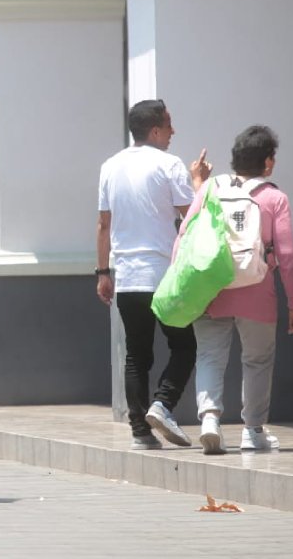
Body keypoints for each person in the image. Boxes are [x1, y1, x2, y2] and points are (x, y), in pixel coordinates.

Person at [96, 99, 211, 449]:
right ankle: (162, 405)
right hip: (164, 277)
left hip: (127, 277)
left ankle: (140, 432)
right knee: (184, 347)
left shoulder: (110, 166)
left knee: (137, 355)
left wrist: (103, 272)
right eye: (169, 124)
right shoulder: (169, 164)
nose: (173, 132)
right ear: (156, 129)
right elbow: (191, 215)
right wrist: (199, 183)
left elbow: (104, 225)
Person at [181, 126, 293, 454]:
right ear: (268, 163)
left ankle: (209, 419)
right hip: (257, 289)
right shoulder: (275, 197)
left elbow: (185, 234)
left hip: (211, 287)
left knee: (209, 355)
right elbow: (288, 254)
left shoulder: (209, 189)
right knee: (258, 360)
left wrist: (182, 287)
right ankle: (253, 430)